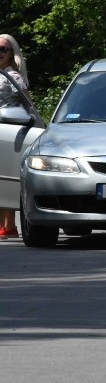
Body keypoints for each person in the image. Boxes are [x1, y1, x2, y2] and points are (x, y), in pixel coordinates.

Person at [0, 34, 29, 239]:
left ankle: (7, 224)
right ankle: (7, 226)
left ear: (12, 54)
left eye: (3, 50)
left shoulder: (14, 77)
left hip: (6, 132)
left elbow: (27, 105)